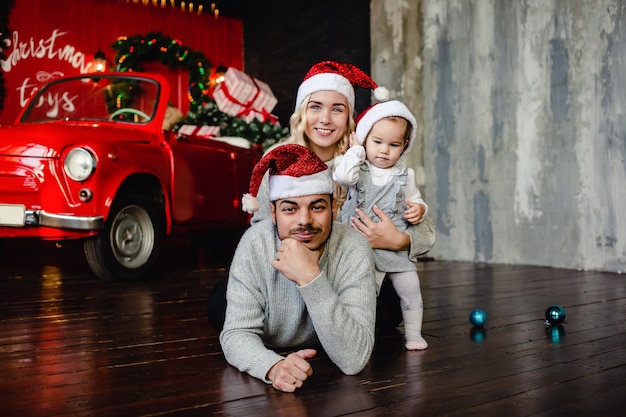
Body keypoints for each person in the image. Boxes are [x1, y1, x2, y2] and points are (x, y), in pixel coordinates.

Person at [207, 60, 435, 330]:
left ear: (348, 116)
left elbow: (426, 231)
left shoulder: (367, 163)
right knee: (221, 305)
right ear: (302, 112)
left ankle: (320, 326)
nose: (325, 119)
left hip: (350, 272)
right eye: (316, 107)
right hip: (293, 271)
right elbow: (261, 233)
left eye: (337, 109)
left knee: (391, 306)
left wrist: (399, 239)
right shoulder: (281, 160)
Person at [220, 143, 377, 393]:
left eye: (317, 207)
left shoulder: (354, 246)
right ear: (273, 213)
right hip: (265, 322)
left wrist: (310, 276)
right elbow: (236, 335)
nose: (304, 221)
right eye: (290, 209)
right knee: (218, 306)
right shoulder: (255, 243)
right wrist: (272, 366)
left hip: (329, 339)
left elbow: (354, 360)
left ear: (334, 208)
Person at [333, 100, 428, 350]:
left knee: (411, 289)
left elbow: (415, 199)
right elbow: (341, 177)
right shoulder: (358, 169)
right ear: (365, 140)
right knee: (364, 295)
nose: (384, 150)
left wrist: (420, 209)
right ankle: (360, 336)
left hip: (393, 244)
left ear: (404, 146)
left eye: (394, 144)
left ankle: (414, 334)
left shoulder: (405, 175)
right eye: (377, 142)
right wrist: (355, 151)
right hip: (359, 248)